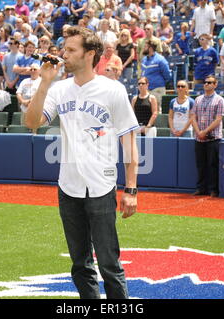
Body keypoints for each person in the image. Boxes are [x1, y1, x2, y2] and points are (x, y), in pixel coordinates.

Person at [25, 26, 139, 300]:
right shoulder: (59, 89)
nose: (64, 54)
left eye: (71, 50)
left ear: (90, 54)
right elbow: (31, 123)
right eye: (64, 49)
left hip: (101, 186)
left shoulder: (113, 90)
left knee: (109, 265)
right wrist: (44, 82)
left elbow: (130, 142)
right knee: (80, 264)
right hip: (68, 187)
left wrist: (131, 190)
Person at [190, 75, 224, 198]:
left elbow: (219, 119)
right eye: (205, 82)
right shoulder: (198, 99)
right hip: (199, 137)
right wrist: (198, 132)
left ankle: (213, 190)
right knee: (200, 165)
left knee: (213, 165)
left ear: (215, 84)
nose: (207, 84)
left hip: (213, 138)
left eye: (210, 82)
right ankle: (201, 188)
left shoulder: (220, 99)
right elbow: (193, 117)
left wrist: (204, 131)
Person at [140, 38, 171, 113]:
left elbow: (167, 75)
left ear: (150, 48)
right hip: (147, 90)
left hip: (157, 89)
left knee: (157, 111)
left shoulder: (160, 59)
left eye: (146, 46)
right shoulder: (144, 59)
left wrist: (159, 83)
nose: (144, 48)